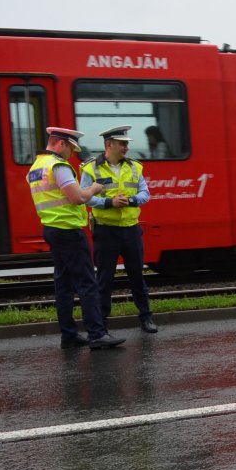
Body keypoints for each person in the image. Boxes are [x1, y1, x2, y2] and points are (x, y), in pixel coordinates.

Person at [26, 127, 124, 350]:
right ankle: (97, 334)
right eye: (71, 148)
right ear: (61, 144)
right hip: (68, 230)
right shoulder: (58, 166)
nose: (72, 154)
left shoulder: (36, 167)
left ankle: (68, 335)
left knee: (64, 284)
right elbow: (78, 197)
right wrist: (94, 188)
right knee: (87, 282)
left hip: (51, 228)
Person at [81, 125, 158, 334]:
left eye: (127, 144)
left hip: (131, 229)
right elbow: (84, 196)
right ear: (109, 145)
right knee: (104, 280)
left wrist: (131, 200)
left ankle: (146, 317)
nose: (126, 147)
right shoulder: (90, 169)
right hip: (106, 231)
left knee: (137, 277)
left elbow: (145, 194)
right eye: (122, 144)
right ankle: (101, 324)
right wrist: (109, 203)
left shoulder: (135, 167)